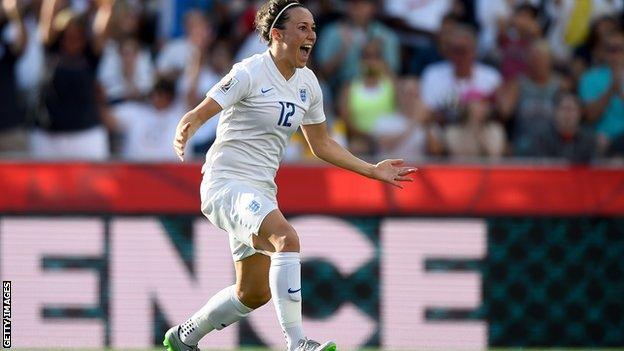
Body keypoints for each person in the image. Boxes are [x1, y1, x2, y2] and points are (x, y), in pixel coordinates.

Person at [163, 1, 416, 351]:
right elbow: (201, 110)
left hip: (260, 190)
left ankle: (184, 336)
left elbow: (322, 144)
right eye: (302, 28)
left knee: (252, 293)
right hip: (225, 182)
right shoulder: (250, 71)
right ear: (277, 35)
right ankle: (298, 343)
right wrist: (185, 127)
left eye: (313, 28)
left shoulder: (308, 84)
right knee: (287, 239)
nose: (311, 34)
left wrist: (372, 170)